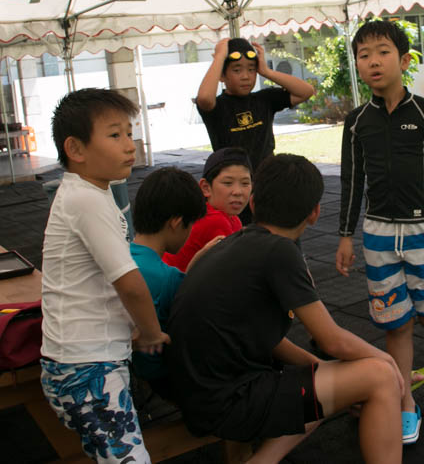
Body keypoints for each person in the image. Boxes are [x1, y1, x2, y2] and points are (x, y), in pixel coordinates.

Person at [166, 154, 404, 464]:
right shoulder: (280, 252)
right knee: (380, 376)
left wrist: (321, 367)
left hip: (195, 392)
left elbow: (266, 336)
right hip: (226, 401)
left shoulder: (239, 241)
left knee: (326, 377)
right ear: (315, 213)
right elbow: (333, 340)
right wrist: (388, 363)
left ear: (254, 202)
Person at [336, 20, 424, 445]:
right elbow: (351, 181)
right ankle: (405, 405)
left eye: (382, 51)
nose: (373, 61)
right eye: (364, 54)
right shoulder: (357, 121)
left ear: (405, 59)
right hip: (377, 235)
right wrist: (345, 234)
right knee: (395, 322)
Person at [40, 88, 169, 464]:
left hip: (82, 361)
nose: (129, 145)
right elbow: (130, 285)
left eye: (129, 133)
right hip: (86, 367)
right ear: (76, 150)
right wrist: (150, 332)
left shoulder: (88, 194)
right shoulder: (86, 201)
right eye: (115, 135)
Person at [196, 37, 315, 224]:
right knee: (241, 239)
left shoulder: (264, 99)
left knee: (277, 232)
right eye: (237, 70)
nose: (246, 76)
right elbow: (203, 98)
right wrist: (219, 58)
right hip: (235, 190)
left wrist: (266, 71)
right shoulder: (217, 107)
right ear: (222, 75)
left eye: (251, 69)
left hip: (268, 184)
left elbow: (306, 91)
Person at [129, 166, 208, 386]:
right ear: (176, 223)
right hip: (158, 376)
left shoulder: (119, 258)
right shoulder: (168, 278)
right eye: (190, 224)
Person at [162, 147, 251, 272]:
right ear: (206, 188)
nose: (238, 192)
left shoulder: (232, 219)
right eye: (227, 183)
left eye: (245, 183)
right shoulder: (215, 221)